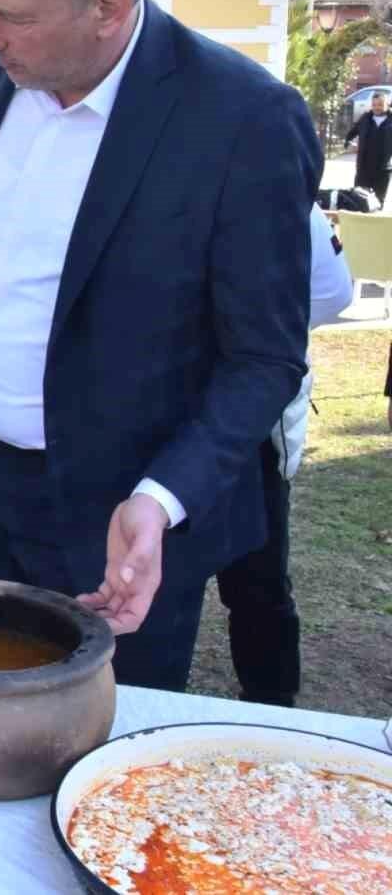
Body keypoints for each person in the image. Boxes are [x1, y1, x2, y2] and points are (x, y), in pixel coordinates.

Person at [0, 0, 322, 691]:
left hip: (120, 524)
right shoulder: (2, 65)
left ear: (110, 6)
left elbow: (264, 358)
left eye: (9, 15)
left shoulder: (244, 121)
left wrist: (161, 498)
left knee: (95, 759)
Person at [215, 204, 352, 706]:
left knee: (257, 570)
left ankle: (271, 692)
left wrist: (250, 332)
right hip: (149, 411)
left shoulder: (278, 185)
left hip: (247, 409)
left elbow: (333, 293)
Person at [342, 89, 392, 206]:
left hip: (383, 169)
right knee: (359, 200)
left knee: (378, 203)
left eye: (380, 104)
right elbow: (352, 133)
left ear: (387, 104)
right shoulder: (365, 119)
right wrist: (348, 143)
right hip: (364, 167)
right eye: (374, 105)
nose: (377, 107)